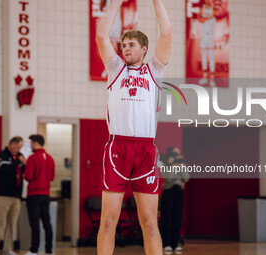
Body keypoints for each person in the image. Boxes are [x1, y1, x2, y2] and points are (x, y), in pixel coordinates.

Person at [95, 0, 171, 254]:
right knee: (108, 221)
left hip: (146, 150)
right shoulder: (115, 68)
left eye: (131, 45)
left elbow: (167, 33)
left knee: (149, 222)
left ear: (144, 49)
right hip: (118, 146)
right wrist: (115, 3)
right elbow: (101, 35)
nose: (126, 49)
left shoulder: (155, 70)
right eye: (124, 45)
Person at [0, 136, 25, 255]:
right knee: (0, 221)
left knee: (12, 223)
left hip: (16, 196)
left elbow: (23, 172)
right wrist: (18, 162)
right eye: (18, 147)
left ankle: (8, 248)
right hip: (3, 195)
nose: (19, 149)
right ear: (11, 145)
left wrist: (24, 164)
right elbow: (4, 168)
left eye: (20, 147)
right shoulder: (2, 155)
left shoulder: (19, 157)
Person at [23, 134, 55, 255]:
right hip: (46, 194)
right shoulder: (50, 158)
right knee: (47, 223)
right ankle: (49, 250)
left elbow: (28, 176)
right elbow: (51, 177)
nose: (31, 145)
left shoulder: (32, 158)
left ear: (36, 143)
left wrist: (24, 175)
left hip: (34, 194)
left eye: (31, 143)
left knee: (35, 223)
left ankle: (34, 250)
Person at [160, 147, 189, 253]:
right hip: (168, 192)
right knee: (166, 218)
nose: (177, 155)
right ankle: (166, 243)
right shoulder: (165, 164)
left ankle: (175, 243)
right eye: (175, 154)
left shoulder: (182, 164)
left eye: (178, 153)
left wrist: (180, 167)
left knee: (177, 218)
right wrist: (172, 166)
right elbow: (167, 178)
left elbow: (186, 178)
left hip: (179, 192)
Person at [198, 0, 217, 87]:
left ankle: (212, 79)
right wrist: (206, 19)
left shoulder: (214, 9)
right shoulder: (202, 8)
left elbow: (213, 19)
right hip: (203, 36)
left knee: (211, 57)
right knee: (204, 57)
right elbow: (200, 19)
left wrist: (205, 19)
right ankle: (205, 77)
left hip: (210, 36)